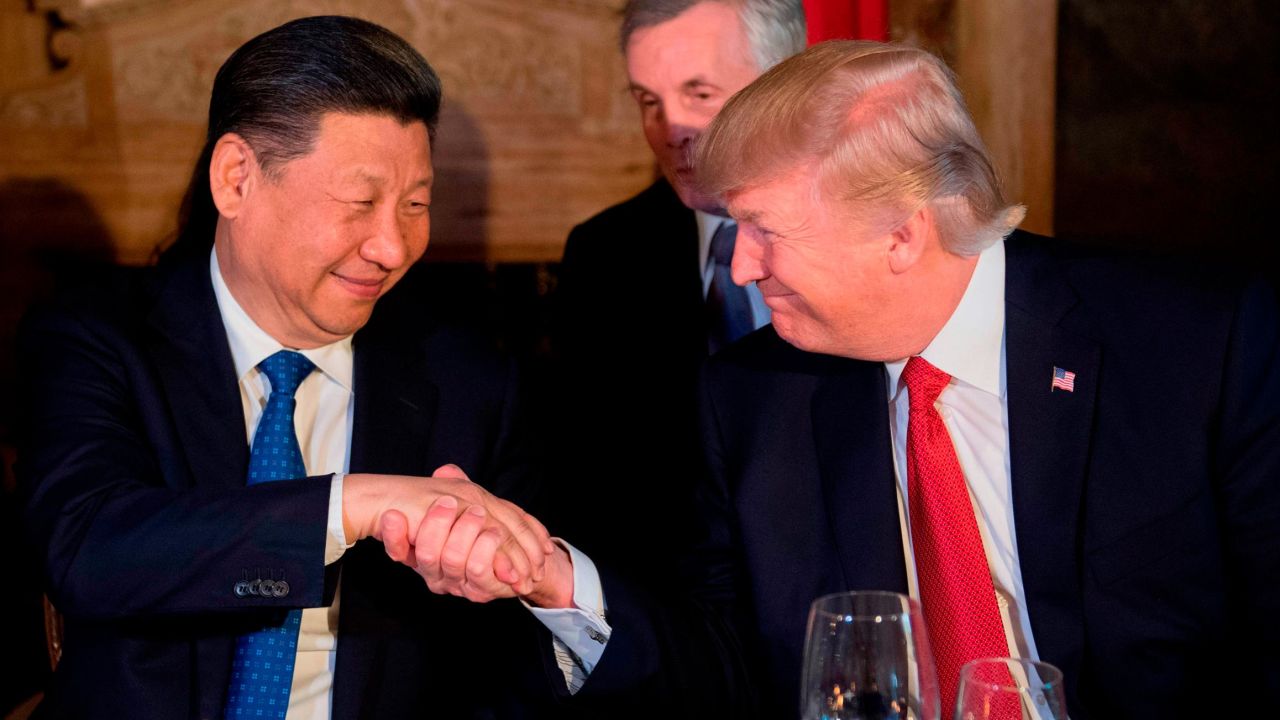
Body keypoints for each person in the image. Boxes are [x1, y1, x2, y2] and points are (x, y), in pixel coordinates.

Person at [478, 40, 1280, 718]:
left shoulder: (1199, 345)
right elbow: (719, 669)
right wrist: (559, 580)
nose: (742, 266)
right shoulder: (755, 397)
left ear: (902, 234)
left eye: (763, 231)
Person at [16, 16, 572, 719]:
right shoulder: (97, 339)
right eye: (360, 203)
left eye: (416, 205)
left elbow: (512, 661)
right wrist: (353, 504)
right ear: (236, 178)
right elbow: (88, 549)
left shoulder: (473, 383)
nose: (393, 248)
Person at [547, 0, 806, 598]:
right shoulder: (604, 253)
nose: (670, 129)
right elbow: (589, 483)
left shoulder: (863, 235)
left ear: (784, 83)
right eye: (649, 101)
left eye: (700, 93)